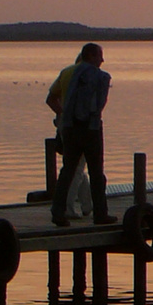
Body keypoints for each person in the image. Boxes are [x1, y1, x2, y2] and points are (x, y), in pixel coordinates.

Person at [50, 43, 113, 227]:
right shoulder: (99, 76)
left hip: (68, 127)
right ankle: (100, 214)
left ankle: (58, 211)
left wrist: (65, 119)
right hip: (90, 129)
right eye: (100, 56)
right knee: (96, 172)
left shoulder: (69, 72)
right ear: (91, 56)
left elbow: (52, 98)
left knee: (68, 170)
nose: (102, 60)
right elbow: (98, 104)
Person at [45, 46, 94, 216]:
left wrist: (62, 114)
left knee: (77, 165)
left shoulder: (65, 73)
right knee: (76, 167)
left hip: (64, 125)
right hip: (82, 126)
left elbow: (50, 99)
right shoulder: (89, 75)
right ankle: (66, 207)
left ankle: (88, 205)